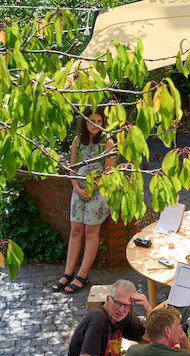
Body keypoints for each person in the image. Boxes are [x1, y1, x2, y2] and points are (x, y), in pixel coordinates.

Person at [52, 106, 116, 293]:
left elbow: (108, 172)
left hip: (98, 189)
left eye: (99, 121)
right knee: (76, 229)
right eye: (91, 121)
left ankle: (82, 275)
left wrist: (92, 187)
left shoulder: (108, 142)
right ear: (84, 121)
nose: (95, 125)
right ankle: (67, 273)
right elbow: (72, 167)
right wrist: (76, 189)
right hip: (79, 189)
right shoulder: (78, 140)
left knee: (90, 231)